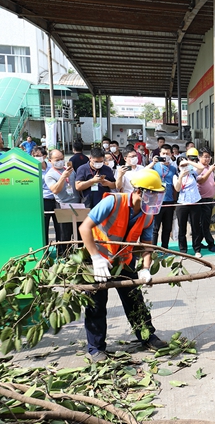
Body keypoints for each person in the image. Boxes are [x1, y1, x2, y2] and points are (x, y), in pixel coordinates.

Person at [79, 168, 168, 362]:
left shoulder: (147, 214)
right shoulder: (113, 201)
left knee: (135, 300)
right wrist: (96, 257)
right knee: (96, 304)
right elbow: (84, 227)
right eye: (152, 195)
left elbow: (147, 245)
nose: (154, 200)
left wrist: (145, 268)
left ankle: (147, 336)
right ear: (139, 191)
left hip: (124, 261)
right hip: (98, 260)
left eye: (157, 195)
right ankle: (96, 348)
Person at [44, 149, 82, 256]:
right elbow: (55, 190)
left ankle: (80, 254)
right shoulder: (49, 175)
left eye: (62, 159)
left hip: (77, 203)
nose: (60, 161)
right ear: (50, 160)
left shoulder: (69, 170)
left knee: (79, 232)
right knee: (65, 233)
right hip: (62, 205)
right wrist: (63, 177)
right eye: (57, 160)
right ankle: (65, 255)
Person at [173, 149, 205, 257]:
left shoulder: (193, 173)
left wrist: (188, 162)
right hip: (182, 204)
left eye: (185, 165)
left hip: (195, 202)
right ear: (178, 167)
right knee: (182, 228)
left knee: (196, 227)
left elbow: (201, 168)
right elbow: (177, 189)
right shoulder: (176, 176)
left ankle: (197, 250)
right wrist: (181, 176)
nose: (184, 167)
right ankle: (183, 251)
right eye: (182, 165)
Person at [150, 145, 177, 250]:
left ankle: (164, 248)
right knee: (155, 227)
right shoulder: (155, 166)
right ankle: (153, 249)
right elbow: (143, 172)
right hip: (156, 201)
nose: (165, 156)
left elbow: (175, 186)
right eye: (163, 153)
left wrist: (175, 201)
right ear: (159, 154)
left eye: (167, 153)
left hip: (169, 201)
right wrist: (153, 162)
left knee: (167, 227)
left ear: (171, 154)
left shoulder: (173, 168)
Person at [196, 148, 215, 253]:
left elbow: (209, 181)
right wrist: (210, 170)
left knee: (204, 222)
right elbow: (200, 181)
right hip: (202, 199)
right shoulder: (198, 168)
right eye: (205, 157)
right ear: (199, 157)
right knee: (205, 223)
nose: (207, 159)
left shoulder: (209, 168)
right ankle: (211, 244)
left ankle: (198, 242)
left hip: (210, 199)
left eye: (209, 157)